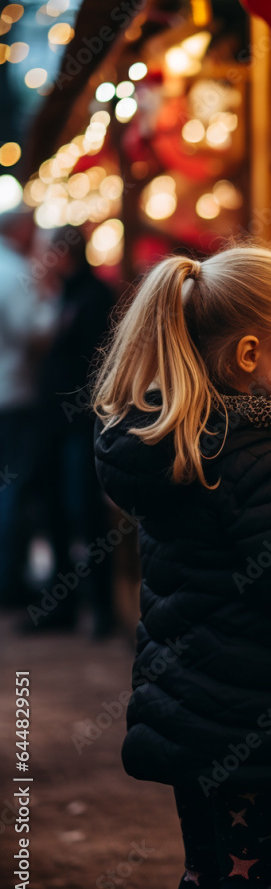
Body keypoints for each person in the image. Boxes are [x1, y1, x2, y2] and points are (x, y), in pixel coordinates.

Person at [92, 246, 271, 889]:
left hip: (188, 701)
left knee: (204, 871)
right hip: (251, 709)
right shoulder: (264, 451)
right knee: (251, 880)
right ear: (248, 356)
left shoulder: (181, 438)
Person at [25, 226, 117, 636]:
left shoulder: (95, 296)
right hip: (54, 426)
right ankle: (61, 606)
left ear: (63, 253)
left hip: (79, 427)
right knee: (57, 512)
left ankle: (101, 608)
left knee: (86, 514)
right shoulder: (63, 293)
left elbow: (96, 366)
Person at [0, 207, 59, 607]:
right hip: (15, 395)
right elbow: (32, 334)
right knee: (14, 490)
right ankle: (10, 583)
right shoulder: (14, 272)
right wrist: (53, 300)